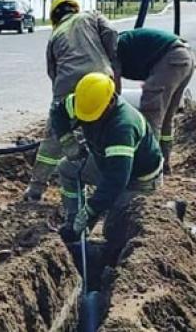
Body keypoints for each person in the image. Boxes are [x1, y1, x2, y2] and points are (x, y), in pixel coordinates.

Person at [50, 73, 163, 258]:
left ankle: (166, 212)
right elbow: (58, 112)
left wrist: (91, 209)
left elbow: (116, 180)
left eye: (93, 117)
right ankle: (74, 225)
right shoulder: (84, 102)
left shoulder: (123, 126)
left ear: (110, 102)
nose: (88, 121)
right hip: (106, 161)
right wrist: (67, 140)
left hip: (138, 179)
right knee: (67, 170)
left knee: (114, 232)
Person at [24, 0, 120, 202]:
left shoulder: (55, 34)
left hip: (67, 84)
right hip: (100, 81)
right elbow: (111, 33)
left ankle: (35, 189)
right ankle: (102, 182)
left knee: (52, 139)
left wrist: (60, 105)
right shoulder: (91, 16)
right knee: (102, 131)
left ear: (55, 17)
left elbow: (52, 71)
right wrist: (110, 59)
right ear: (74, 9)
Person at [116, 27, 195, 174]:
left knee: (150, 115)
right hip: (184, 58)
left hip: (171, 59)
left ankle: (147, 169)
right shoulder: (121, 41)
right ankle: (163, 163)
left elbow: (114, 90)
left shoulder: (111, 48)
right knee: (166, 118)